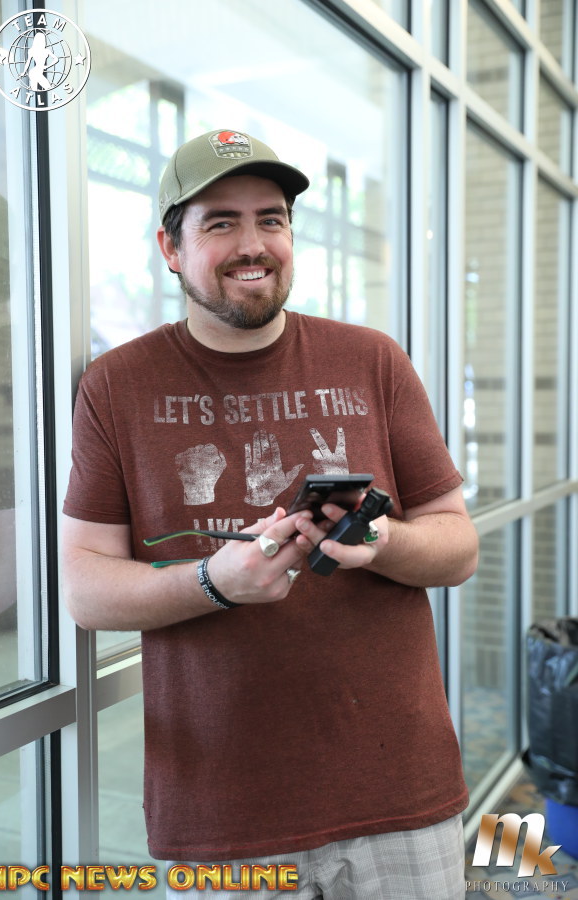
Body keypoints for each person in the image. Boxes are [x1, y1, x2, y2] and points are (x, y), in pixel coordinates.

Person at [62, 129, 479, 900]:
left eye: (272, 219)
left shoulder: (373, 361)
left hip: (400, 789)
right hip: (222, 811)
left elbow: (458, 548)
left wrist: (379, 540)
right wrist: (214, 582)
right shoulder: (117, 386)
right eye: (221, 222)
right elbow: (86, 589)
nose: (253, 244)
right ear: (170, 247)